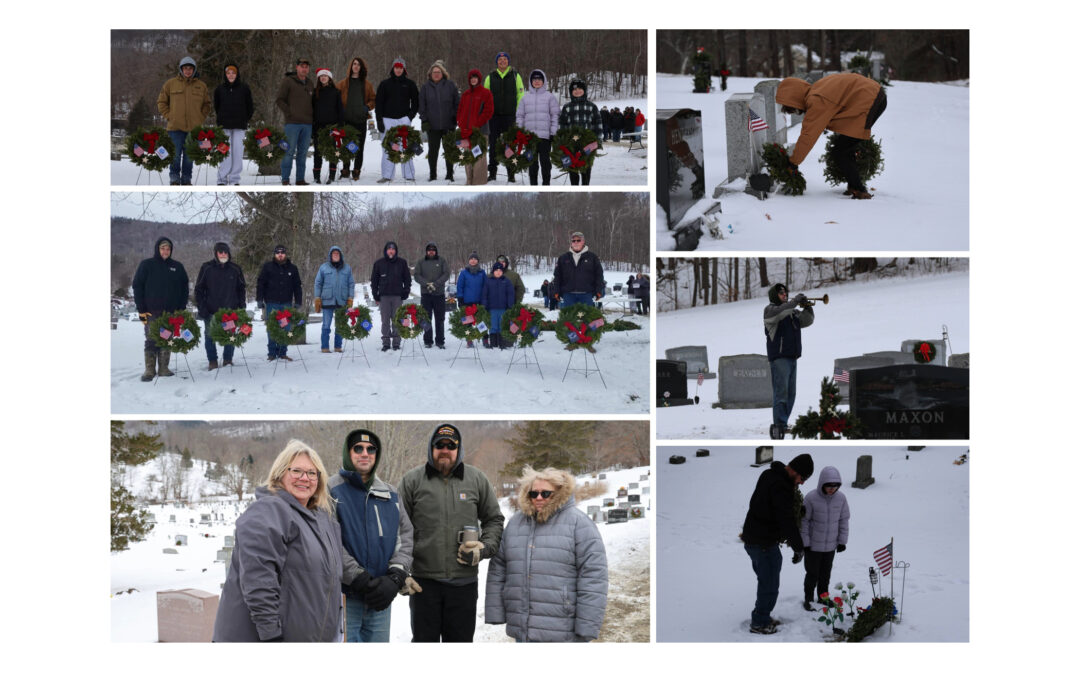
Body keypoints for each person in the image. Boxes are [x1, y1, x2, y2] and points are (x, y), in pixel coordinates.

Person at [212, 440, 343, 642]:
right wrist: (271, 635)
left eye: (311, 473)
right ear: (280, 473)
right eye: (296, 471)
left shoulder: (324, 520)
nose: (304, 478)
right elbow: (258, 579)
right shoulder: (269, 510)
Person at [398, 424, 505, 642]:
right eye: (439, 445)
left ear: (459, 449)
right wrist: (399, 573)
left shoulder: (476, 479)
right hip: (423, 585)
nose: (445, 450)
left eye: (451, 445)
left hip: (463, 585)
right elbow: (396, 529)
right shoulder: (412, 481)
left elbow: (494, 520)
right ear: (431, 448)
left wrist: (483, 548)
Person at [485, 467, 608, 642]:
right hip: (523, 630)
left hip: (563, 630)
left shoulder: (579, 524)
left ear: (559, 492)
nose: (539, 498)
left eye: (545, 493)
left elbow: (594, 577)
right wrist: (496, 611)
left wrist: (587, 625)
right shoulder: (515, 524)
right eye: (533, 494)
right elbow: (498, 568)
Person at [328, 429, 416, 642]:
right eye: (358, 448)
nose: (365, 453)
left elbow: (405, 537)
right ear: (348, 453)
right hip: (345, 599)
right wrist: (359, 578)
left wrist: (395, 577)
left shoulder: (391, 493)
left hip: (381, 600)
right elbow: (328, 541)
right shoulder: (330, 490)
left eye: (371, 449)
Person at [775, 72, 887, 199]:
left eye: (792, 108)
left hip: (870, 100)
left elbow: (808, 135)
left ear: (794, 98)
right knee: (844, 147)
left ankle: (859, 189)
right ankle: (854, 186)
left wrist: (793, 162)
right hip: (872, 95)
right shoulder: (817, 90)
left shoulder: (817, 100)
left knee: (840, 151)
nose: (796, 111)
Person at [741, 453, 814, 635]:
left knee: (766, 580)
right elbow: (786, 520)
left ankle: (762, 616)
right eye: (802, 478)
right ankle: (759, 622)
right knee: (769, 584)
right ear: (794, 470)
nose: (802, 483)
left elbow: (765, 505)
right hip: (763, 542)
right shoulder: (782, 487)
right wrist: (798, 547)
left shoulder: (769, 474)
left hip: (753, 539)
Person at [132, 237, 189, 381]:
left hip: (170, 313)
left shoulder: (177, 267)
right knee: (151, 340)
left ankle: (163, 368)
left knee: (166, 339)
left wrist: (181, 309)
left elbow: (184, 289)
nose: (165, 251)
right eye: (163, 248)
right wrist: (141, 310)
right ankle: (149, 370)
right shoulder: (147, 265)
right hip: (151, 312)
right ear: (158, 249)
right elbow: (137, 287)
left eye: (168, 249)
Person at [763, 283, 815, 440]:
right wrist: (793, 302)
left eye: (785, 292)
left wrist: (807, 307)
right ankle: (779, 425)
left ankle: (783, 424)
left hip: (792, 357)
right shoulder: (770, 310)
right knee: (781, 393)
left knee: (791, 394)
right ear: (774, 296)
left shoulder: (791, 312)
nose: (784, 295)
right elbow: (780, 313)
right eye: (781, 293)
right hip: (779, 358)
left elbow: (808, 320)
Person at [799, 465, 850, 612]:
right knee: (812, 574)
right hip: (813, 547)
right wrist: (805, 543)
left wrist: (842, 541)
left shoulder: (841, 499)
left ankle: (823, 598)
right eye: (828, 486)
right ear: (822, 483)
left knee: (825, 574)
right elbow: (804, 521)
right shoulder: (811, 498)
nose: (831, 489)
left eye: (835, 486)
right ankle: (808, 599)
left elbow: (843, 520)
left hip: (830, 547)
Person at [156, 57, 212, 185]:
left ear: (194, 70)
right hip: (175, 128)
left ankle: (187, 179)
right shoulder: (170, 83)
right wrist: (169, 116)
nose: (187, 71)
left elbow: (207, 104)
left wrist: (200, 117)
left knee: (189, 157)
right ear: (181, 69)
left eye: (190, 68)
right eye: (185, 68)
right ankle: (174, 178)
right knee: (174, 156)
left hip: (194, 129)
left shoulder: (201, 86)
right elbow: (161, 102)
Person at [193, 242, 246, 370]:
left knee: (230, 336)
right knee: (210, 337)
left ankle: (228, 359)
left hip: (230, 312)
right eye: (220, 252)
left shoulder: (235, 269)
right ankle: (213, 360)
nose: (223, 254)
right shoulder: (207, 268)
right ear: (216, 253)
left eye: (225, 252)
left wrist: (241, 306)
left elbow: (241, 289)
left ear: (228, 253)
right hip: (211, 311)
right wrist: (202, 308)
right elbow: (199, 289)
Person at [375, 58, 420, 183]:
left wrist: (409, 117)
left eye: (401, 68)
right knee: (387, 147)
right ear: (393, 68)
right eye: (396, 67)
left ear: (404, 69)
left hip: (403, 119)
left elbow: (416, 103)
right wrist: (379, 121)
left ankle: (409, 174)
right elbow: (378, 103)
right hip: (387, 119)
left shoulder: (410, 84)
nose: (398, 70)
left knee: (406, 145)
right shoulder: (384, 84)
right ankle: (387, 175)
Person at [484, 52, 525, 183]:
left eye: (505, 59)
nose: (502, 61)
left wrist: (517, 113)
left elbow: (521, 96)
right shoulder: (490, 76)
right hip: (494, 117)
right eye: (500, 60)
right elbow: (485, 97)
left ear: (508, 61)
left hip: (509, 116)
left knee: (510, 145)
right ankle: (492, 172)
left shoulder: (515, 75)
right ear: (497, 62)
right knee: (494, 145)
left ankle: (511, 173)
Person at [418, 60, 460, 182]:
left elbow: (457, 103)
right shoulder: (425, 87)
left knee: (449, 150)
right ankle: (432, 174)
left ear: (443, 73)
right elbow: (422, 105)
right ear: (430, 74)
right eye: (434, 72)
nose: (436, 74)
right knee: (433, 151)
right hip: (432, 125)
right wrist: (424, 119)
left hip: (448, 124)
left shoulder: (450, 85)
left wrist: (455, 116)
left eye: (438, 72)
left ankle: (449, 174)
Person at [275, 57, 315, 186]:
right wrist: (289, 112)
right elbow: (280, 100)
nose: (304, 68)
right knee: (289, 151)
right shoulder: (288, 81)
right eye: (302, 66)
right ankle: (285, 179)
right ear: (297, 67)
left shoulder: (310, 83)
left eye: (306, 66)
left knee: (302, 154)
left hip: (307, 124)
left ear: (308, 69)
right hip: (292, 123)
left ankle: (300, 179)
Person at [515, 69, 559, 186]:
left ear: (543, 81)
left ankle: (546, 184)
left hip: (545, 137)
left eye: (539, 79)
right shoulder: (525, 98)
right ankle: (533, 185)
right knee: (532, 164)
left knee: (545, 162)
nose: (537, 81)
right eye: (534, 79)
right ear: (530, 81)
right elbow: (520, 116)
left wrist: (553, 132)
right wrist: (521, 132)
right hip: (530, 138)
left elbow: (555, 115)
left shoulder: (550, 97)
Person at [213, 63, 254, 185]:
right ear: (225, 75)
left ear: (237, 74)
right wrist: (222, 118)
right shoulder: (219, 89)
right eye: (228, 73)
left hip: (239, 126)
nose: (231, 75)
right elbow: (217, 106)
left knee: (237, 152)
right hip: (223, 126)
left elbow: (250, 106)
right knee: (224, 152)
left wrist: (244, 119)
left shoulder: (244, 88)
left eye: (233, 73)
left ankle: (234, 179)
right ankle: (222, 178)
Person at [336, 57, 376, 180]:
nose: (356, 66)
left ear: (362, 67)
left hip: (360, 120)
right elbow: (335, 98)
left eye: (359, 64)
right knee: (347, 145)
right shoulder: (343, 83)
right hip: (347, 120)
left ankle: (357, 169)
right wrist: (340, 110)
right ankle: (346, 169)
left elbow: (373, 99)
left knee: (359, 146)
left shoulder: (366, 84)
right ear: (351, 66)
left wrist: (366, 107)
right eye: (354, 64)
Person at [558, 78, 603, 186]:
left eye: (579, 89)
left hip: (587, 143)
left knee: (586, 169)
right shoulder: (567, 107)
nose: (577, 91)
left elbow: (598, 124)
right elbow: (563, 125)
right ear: (571, 92)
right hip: (571, 144)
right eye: (574, 89)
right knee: (572, 170)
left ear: (584, 90)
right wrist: (562, 140)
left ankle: (585, 187)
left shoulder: (591, 106)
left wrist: (598, 140)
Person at [370, 241, 412, 352]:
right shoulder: (379, 263)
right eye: (389, 249)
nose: (391, 251)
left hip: (397, 296)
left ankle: (396, 343)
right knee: (385, 321)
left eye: (393, 249)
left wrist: (406, 291)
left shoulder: (402, 263)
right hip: (384, 297)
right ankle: (386, 342)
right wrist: (375, 294)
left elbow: (407, 279)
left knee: (397, 320)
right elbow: (374, 281)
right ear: (386, 250)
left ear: (396, 251)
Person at [456, 69, 494, 186]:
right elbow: (460, 111)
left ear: (479, 79)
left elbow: (488, 111)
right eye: (471, 77)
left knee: (479, 158)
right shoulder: (466, 94)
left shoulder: (486, 93)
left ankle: (479, 182)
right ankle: (469, 180)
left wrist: (476, 124)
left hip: (480, 132)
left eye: (475, 77)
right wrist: (461, 125)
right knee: (468, 158)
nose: (473, 79)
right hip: (466, 132)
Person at [313, 245, 354, 353]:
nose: (335, 255)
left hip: (342, 300)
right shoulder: (323, 267)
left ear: (340, 255)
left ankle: (338, 347)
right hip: (327, 300)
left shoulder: (347, 268)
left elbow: (351, 284)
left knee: (340, 325)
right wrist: (317, 298)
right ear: (330, 255)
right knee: (326, 325)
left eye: (337, 253)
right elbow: (318, 283)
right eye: (333, 253)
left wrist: (350, 298)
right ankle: (325, 347)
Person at [551, 231, 605, 309]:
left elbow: (599, 275)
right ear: (571, 243)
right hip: (568, 295)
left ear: (583, 242)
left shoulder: (592, 257)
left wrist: (599, 290)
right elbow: (557, 276)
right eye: (573, 241)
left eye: (578, 240)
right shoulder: (563, 258)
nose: (576, 242)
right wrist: (556, 291)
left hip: (586, 295)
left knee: (586, 319)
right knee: (569, 320)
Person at [311, 68, 344, 184]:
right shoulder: (315, 92)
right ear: (319, 79)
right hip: (318, 127)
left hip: (331, 127)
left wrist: (339, 126)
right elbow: (312, 110)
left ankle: (332, 175)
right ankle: (316, 176)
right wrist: (312, 126)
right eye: (321, 76)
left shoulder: (336, 92)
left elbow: (340, 110)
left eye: (325, 76)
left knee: (332, 151)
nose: (323, 78)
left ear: (329, 78)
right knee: (318, 152)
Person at [415, 242, 449, 349]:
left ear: (436, 251)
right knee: (426, 318)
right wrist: (427, 284)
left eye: (433, 250)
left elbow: (446, 274)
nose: (431, 252)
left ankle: (440, 341)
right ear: (426, 251)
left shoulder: (442, 260)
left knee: (440, 319)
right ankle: (428, 341)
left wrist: (436, 284)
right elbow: (416, 275)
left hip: (439, 294)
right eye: (429, 250)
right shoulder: (421, 262)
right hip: (426, 295)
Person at [455, 252, 486, 348]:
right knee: (468, 323)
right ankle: (469, 340)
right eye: (471, 258)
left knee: (481, 322)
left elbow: (486, 286)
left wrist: (484, 299)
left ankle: (485, 339)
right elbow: (459, 286)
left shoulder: (482, 273)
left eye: (475, 259)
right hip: (467, 302)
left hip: (479, 302)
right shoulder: (464, 273)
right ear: (469, 260)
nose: (473, 260)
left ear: (478, 261)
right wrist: (460, 299)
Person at [481, 262, 514, 350]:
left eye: (500, 270)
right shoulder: (488, 281)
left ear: (502, 272)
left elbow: (510, 294)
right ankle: (493, 343)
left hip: (503, 309)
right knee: (493, 326)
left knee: (501, 326)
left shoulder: (506, 281)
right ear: (493, 271)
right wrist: (484, 305)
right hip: (492, 309)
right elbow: (484, 295)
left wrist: (510, 305)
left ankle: (502, 344)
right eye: (496, 270)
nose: (498, 272)